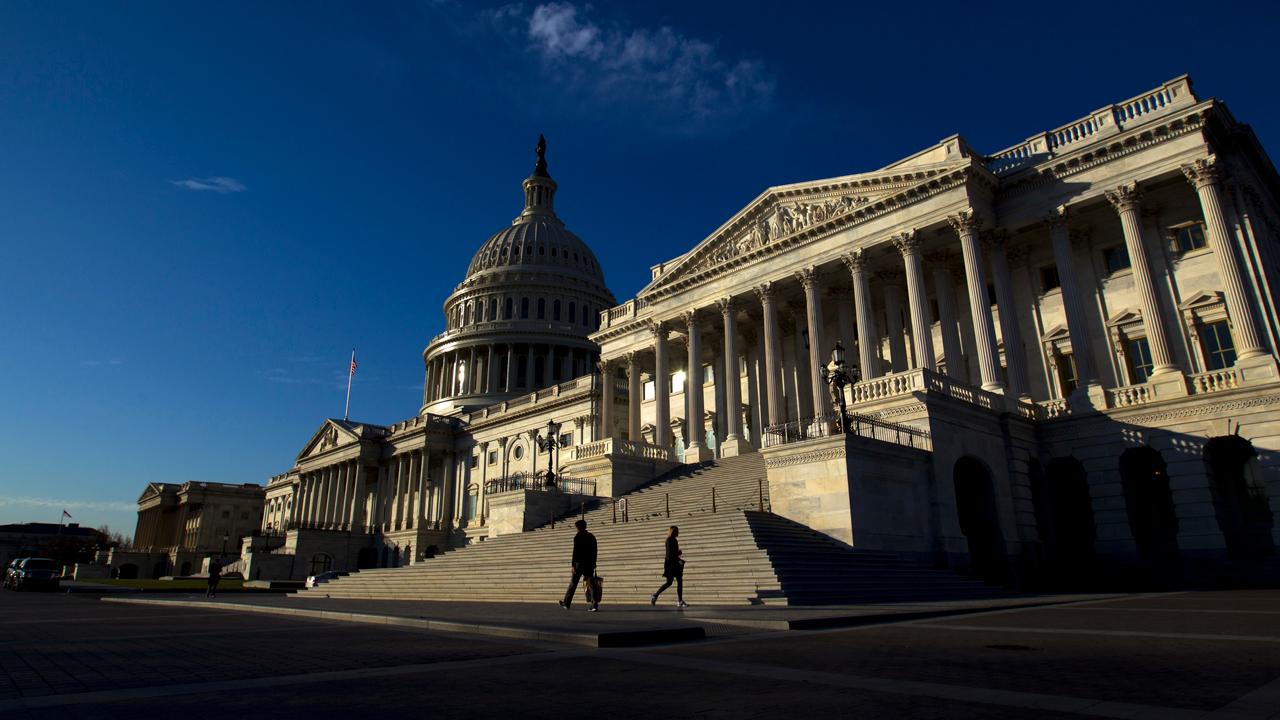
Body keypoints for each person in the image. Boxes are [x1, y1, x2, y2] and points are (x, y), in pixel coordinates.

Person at [558, 519, 598, 611]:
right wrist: (594, 563)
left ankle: (566, 603)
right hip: (589, 564)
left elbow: (575, 552)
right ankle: (594, 604)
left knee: (573, 584)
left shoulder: (578, 537)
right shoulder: (591, 536)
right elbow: (595, 551)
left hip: (579, 564)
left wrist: (573, 565)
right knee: (591, 584)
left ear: (578, 527)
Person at [650, 526, 688, 608]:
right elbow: (670, 554)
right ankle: (655, 595)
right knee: (669, 582)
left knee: (679, 581)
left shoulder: (673, 540)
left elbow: (672, 553)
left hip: (673, 562)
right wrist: (678, 558)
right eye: (677, 531)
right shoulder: (670, 540)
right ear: (673, 531)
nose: (678, 533)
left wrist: (678, 554)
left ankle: (680, 601)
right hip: (670, 564)